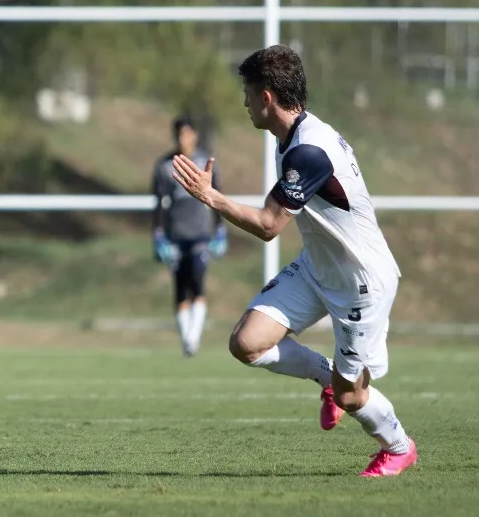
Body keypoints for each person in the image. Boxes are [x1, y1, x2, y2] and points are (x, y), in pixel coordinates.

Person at [170, 44, 417, 477]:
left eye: (247, 93)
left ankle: (398, 447)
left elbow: (268, 225)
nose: (244, 103)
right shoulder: (290, 139)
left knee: (351, 397)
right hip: (317, 267)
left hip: (361, 281)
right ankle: (327, 376)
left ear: (266, 97)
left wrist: (210, 197)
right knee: (246, 344)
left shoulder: (309, 151)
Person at [152, 115, 227, 357]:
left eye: (186, 133)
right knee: (181, 288)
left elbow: (217, 196)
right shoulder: (164, 165)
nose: (182, 139)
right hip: (176, 235)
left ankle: (192, 339)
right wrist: (158, 235)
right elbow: (159, 204)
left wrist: (220, 229)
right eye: (178, 134)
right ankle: (187, 340)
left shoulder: (205, 161)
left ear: (194, 134)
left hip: (200, 234)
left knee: (197, 279)